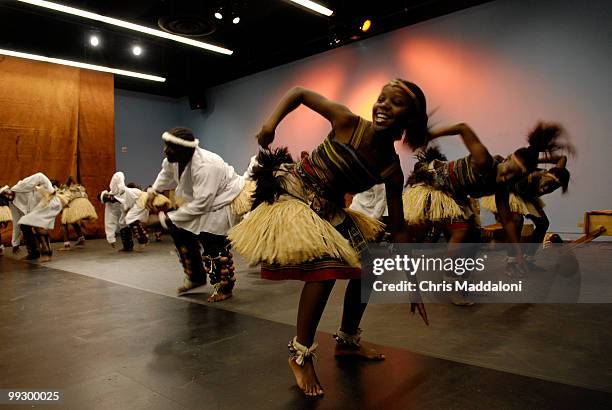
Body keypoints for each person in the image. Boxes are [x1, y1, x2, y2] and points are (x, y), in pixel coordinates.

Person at [229, 80, 430, 397]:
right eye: (381, 99)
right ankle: (301, 354)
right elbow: (298, 92)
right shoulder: (347, 121)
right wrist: (270, 126)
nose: (383, 105)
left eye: (396, 103)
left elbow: (400, 228)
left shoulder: (391, 170)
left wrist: (413, 278)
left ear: (410, 119)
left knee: (369, 268)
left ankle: (348, 341)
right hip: (295, 192)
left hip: (330, 208)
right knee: (325, 271)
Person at [148, 127, 253, 302]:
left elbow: (202, 204)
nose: (165, 150)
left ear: (185, 150)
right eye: (165, 145)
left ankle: (224, 287)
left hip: (223, 199)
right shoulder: (172, 159)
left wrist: (163, 219)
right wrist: (154, 190)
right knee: (179, 230)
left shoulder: (207, 166)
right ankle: (195, 277)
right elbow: (165, 174)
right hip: (201, 199)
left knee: (211, 239)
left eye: (170, 147)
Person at [481, 155, 570, 273]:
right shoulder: (528, 177)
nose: (548, 188)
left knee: (543, 223)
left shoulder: (554, 176)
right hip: (511, 193)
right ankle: (511, 262)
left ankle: (528, 259)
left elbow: (562, 158)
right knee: (517, 221)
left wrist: (538, 160)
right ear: (545, 175)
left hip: (527, 196)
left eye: (553, 188)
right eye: (548, 183)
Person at [58, 176, 98, 250]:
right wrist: (77, 185)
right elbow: (70, 178)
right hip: (83, 203)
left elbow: (70, 177)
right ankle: (81, 239)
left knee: (64, 223)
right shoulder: (76, 189)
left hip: (75, 204)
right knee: (73, 221)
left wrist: (76, 185)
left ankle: (66, 245)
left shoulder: (61, 190)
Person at [0, 186, 13, 256]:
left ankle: (0, 247)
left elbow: (9, 198)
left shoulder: (4, 191)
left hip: (2, 211)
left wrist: (4, 222)